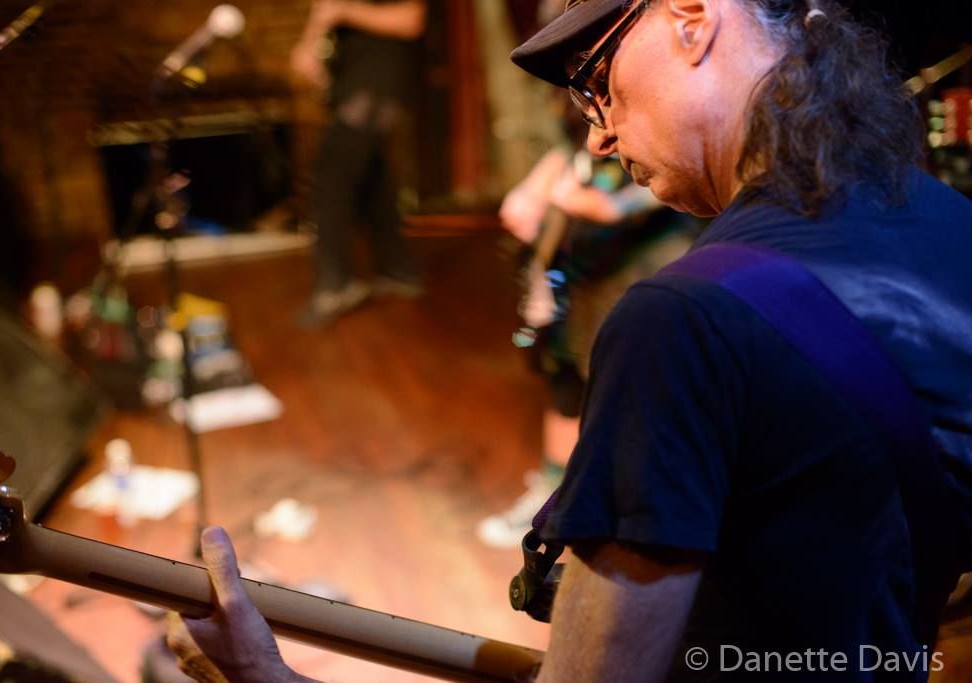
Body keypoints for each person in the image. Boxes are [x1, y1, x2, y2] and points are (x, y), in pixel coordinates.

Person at [169, 0, 972, 681]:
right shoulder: (949, 224)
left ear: (692, 18)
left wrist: (268, 673)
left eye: (598, 82)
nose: (598, 138)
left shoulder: (683, 318)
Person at [478, 120, 696, 548]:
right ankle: (555, 495)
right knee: (566, 377)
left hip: (653, 257)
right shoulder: (587, 117)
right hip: (583, 260)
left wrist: (614, 205)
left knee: (640, 393)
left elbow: (705, 163)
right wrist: (538, 185)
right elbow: (577, 139)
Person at [290, 0, 426, 328]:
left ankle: (334, 286)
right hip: (351, 79)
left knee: (330, 175)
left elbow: (411, 20)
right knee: (373, 176)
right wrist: (309, 45)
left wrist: (344, 12)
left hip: (377, 81)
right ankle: (399, 270)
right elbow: (327, 9)